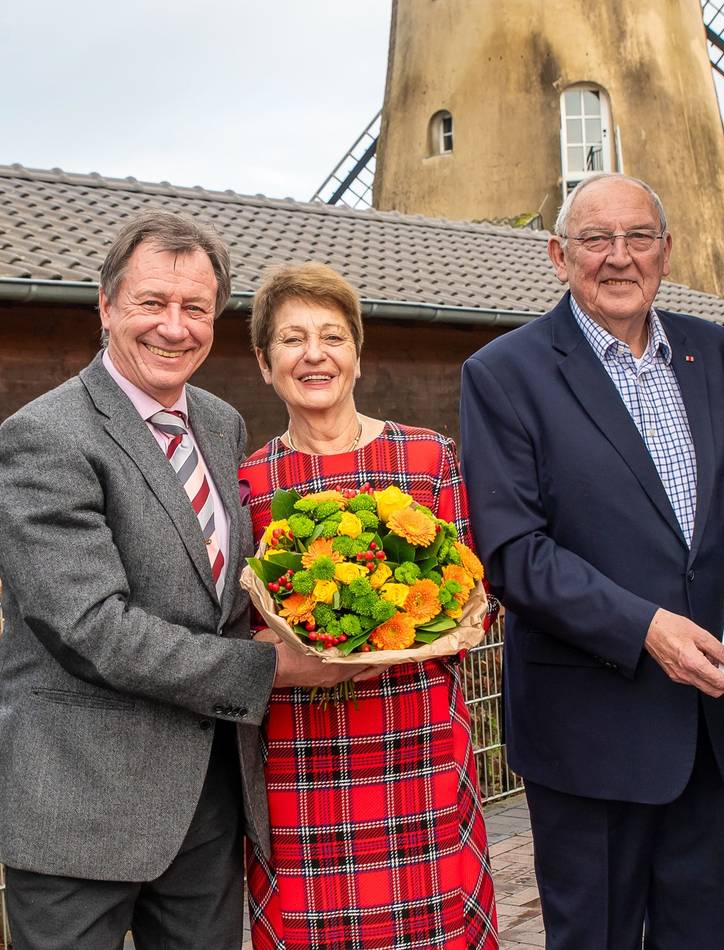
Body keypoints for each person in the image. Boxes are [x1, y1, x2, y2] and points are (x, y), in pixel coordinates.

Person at [0, 212, 349, 950]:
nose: (174, 327)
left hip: (208, 799)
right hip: (82, 806)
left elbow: (227, 590)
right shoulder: (46, 436)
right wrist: (271, 670)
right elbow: (90, 627)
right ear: (105, 306)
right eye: (152, 303)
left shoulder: (219, 423)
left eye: (195, 308)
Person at [459, 172, 724, 949]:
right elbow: (513, 554)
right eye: (595, 240)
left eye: (637, 238)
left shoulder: (718, 354)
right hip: (590, 729)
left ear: (666, 251)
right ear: (560, 255)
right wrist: (646, 627)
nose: (618, 258)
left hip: (710, 724)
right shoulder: (504, 374)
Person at [239, 261, 498, 950]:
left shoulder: (428, 459)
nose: (314, 354)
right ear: (265, 364)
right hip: (301, 765)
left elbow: (476, 600)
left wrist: (425, 625)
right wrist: (294, 654)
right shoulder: (251, 486)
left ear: (358, 354)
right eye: (292, 340)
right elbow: (235, 633)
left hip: (416, 750)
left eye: (332, 336)